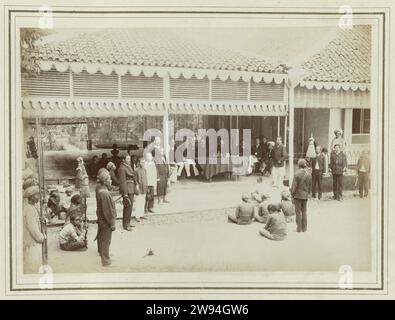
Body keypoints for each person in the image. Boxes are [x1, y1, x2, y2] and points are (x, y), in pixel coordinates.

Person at [95, 168, 117, 267]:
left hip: (101, 219)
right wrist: (112, 223)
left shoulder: (100, 190)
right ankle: (106, 261)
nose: (111, 181)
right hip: (106, 221)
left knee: (102, 238)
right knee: (106, 241)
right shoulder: (105, 194)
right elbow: (108, 211)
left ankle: (103, 255)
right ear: (105, 181)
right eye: (110, 179)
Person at [23, 186, 45, 274]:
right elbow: (33, 228)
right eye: (37, 195)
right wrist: (41, 237)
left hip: (34, 241)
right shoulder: (29, 209)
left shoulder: (32, 207)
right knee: (34, 264)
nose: (39, 197)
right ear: (31, 197)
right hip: (33, 242)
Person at [291, 159, 312, 232]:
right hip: (305, 195)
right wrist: (308, 194)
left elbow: (294, 186)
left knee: (298, 212)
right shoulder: (308, 174)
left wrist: (292, 194)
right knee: (304, 211)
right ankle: (304, 228)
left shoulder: (296, 174)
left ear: (298, 165)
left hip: (297, 195)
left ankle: (299, 228)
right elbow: (310, 186)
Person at [117, 155, 135, 231]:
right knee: (127, 207)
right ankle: (125, 224)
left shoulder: (128, 166)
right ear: (123, 159)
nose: (129, 160)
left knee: (130, 207)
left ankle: (128, 222)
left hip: (131, 188)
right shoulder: (122, 168)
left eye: (129, 158)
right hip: (127, 189)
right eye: (127, 158)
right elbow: (122, 182)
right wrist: (125, 194)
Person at [134, 157, 149, 222]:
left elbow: (146, 179)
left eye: (144, 162)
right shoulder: (136, 170)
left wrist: (146, 187)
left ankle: (141, 214)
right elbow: (135, 179)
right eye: (142, 162)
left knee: (143, 201)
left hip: (144, 187)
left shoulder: (145, 169)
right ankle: (137, 216)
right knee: (138, 202)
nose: (143, 163)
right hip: (139, 188)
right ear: (139, 163)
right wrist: (137, 186)